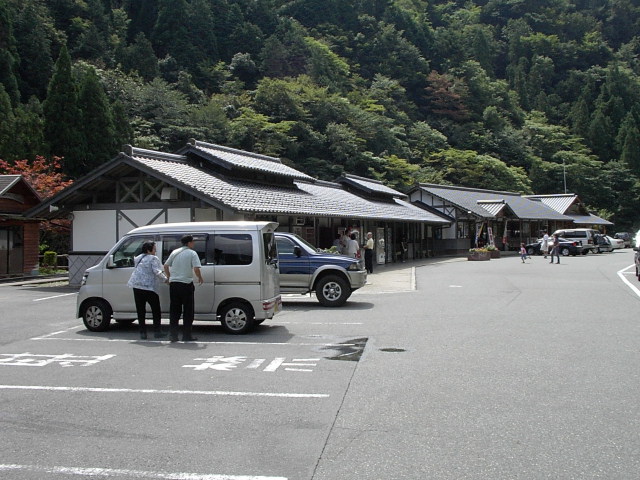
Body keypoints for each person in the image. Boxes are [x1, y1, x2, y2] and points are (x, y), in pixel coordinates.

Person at [163, 235, 204, 342]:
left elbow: (166, 265)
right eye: (193, 242)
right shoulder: (192, 253)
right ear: (189, 243)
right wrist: (199, 277)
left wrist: (169, 277)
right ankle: (186, 335)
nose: (193, 244)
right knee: (188, 311)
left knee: (174, 310)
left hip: (174, 284)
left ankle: (173, 335)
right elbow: (196, 268)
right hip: (186, 284)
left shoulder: (175, 252)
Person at [127, 241, 168, 340]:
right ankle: (157, 332)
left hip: (136, 285)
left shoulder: (138, 258)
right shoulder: (153, 258)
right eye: (154, 249)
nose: (155, 251)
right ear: (149, 250)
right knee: (156, 310)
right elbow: (157, 271)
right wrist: (166, 279)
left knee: (141, 311)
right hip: (149, 287)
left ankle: (143, 333)